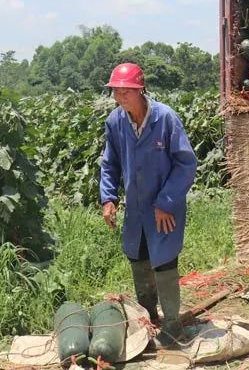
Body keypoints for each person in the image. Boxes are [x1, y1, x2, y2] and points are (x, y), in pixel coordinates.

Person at [99, 62, 198, 346]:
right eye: (116, 92)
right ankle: (148, 317)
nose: (120, 98)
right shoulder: (116, 121)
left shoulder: (165, 118)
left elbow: (185, 164)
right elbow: (110, 163)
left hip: (166, 206)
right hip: (136, 208)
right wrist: (108, 198)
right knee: (138, 257)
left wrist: (166, 201)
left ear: (140, 89)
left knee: (165, 262)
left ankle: (172, 323)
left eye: (125, 92)